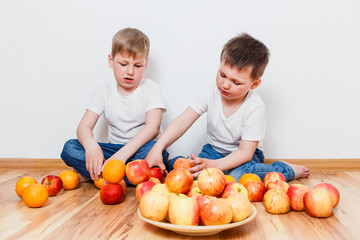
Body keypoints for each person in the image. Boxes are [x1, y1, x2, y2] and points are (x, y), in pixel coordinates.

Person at [145, 33, 310, 182]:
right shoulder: (210, 92)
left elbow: (245, 152)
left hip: (246, 157)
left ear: (254, 84)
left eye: (236, 82)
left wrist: (215, 166)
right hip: (213, 151)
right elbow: (183, 122)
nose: (225, 84)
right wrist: (157, 148)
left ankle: (285, 169)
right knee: (187, 171)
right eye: (222, 75)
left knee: (237, 177)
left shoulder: (254, 106)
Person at [61, 28, 169, 185]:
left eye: (138, 66)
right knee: (69, 148)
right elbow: (83, 127)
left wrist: (122, 156)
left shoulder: (151, 89)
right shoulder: (103, 90)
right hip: (112, 151)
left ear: (146, 65)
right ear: (111, 61)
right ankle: (117, 175)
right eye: (123, 64)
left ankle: (99, 175)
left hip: (140, 150)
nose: (130, 72)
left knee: (157, 150)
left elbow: (153, 128)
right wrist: (91, 146)